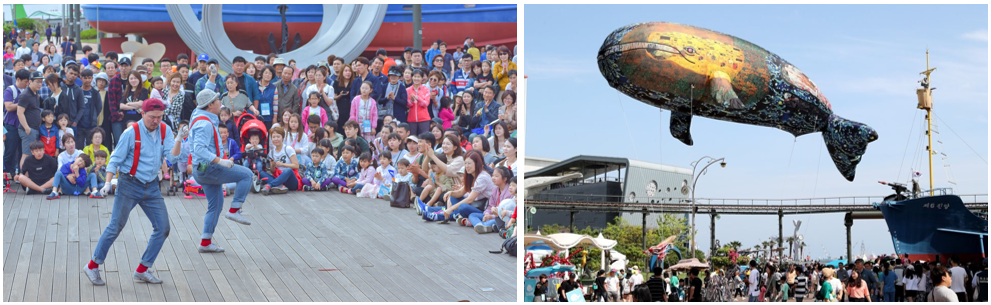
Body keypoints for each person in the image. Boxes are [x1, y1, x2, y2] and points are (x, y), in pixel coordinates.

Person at [84, 98, 183, 286]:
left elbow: (173, 157)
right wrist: (106, 182)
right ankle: (92, 266)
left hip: (152, 186)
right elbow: (115, 159)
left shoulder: (165, 130)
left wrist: (178, 139)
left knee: (163, 228)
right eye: (152, 117)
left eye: (159, 117)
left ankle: (143, 270)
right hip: (129, 184)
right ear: (142, 114)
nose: (156, 121)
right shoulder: (131, 133)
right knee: (116, 227)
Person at [189, 89, 255, 254]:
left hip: (202, 170)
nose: (222, 103)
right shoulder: (204, 124)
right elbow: (199, 149)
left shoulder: (198, 113)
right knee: (247, 174)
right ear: (211, 105)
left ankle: (205, 242)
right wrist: (221, 161)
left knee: (215, 206)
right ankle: (234, 209)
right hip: (209, 168)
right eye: (218, 101)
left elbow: (204, 95)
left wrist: (211, 77)